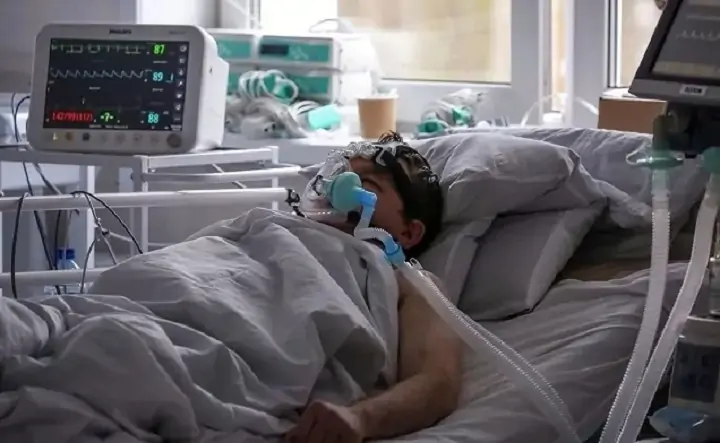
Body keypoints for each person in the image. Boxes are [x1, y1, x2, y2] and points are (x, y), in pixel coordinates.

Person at [286, 133, 463, 443]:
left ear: (408, 232)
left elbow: (438, 382)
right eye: (340, 177)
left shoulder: (407, 281)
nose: (337, 188)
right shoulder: (271, 226)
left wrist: (360, 418)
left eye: (366, 183)